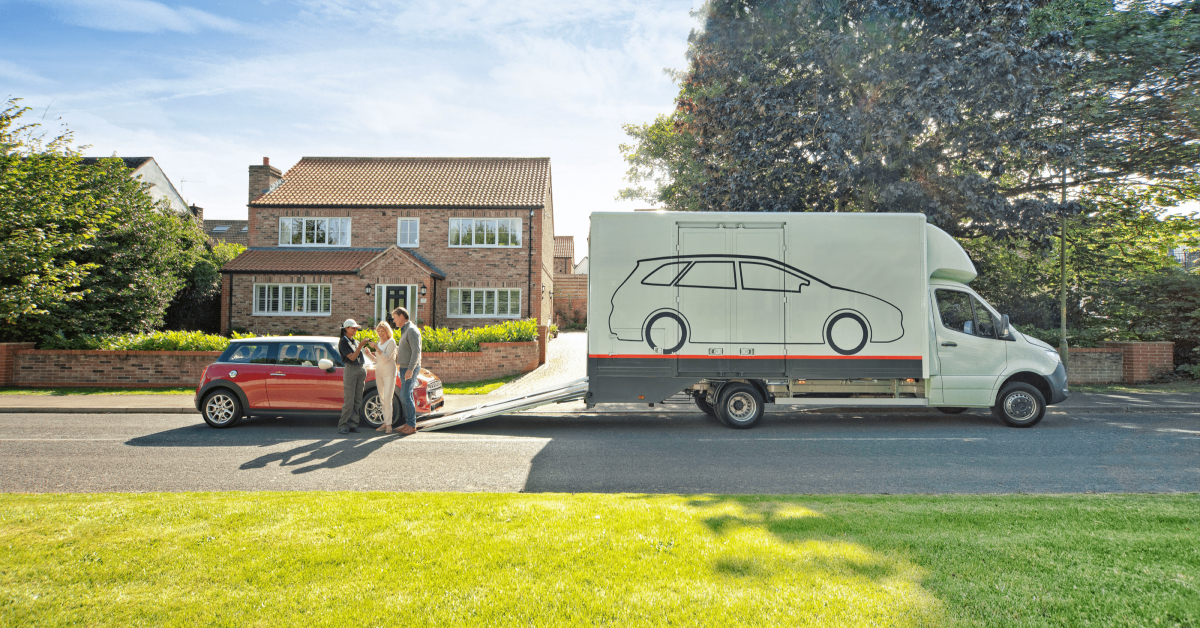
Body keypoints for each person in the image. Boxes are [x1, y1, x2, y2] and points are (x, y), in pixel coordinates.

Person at [337, 319, 375, 434]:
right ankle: (343, 425)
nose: (355, 330)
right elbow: (352, 358)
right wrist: (360, 346)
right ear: (346, 329)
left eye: (355, 328)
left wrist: (365, 349)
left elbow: (358, 355)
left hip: (360, 369)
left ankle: (353, 424)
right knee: (349, 400)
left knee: (358, 399)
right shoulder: (343, 342)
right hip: (351, 369)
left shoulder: (354, 341)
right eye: (353, 328)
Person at [390, 307, 422, 435]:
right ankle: (409, 422)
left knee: (404, 395)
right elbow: (406, 350)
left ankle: (411, 425)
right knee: (407, 395)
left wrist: (410, 369)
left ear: (402, 316)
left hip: (409, 368)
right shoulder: (405, 330)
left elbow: (416, 352)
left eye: (395, 317)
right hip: (404, 367)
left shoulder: (412, 330)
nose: (394, 320)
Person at [370, 321, 398, 434]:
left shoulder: (391, 342)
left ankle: (389, 425)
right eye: (379, 331)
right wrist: (369, 354)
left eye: (383, 331)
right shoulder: (379, 343)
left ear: (387, 331)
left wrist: (376, 348)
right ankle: (385, 422)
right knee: (381, 398)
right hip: (379, 372)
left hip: (389, 372)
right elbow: (378, 360)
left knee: (387, 398)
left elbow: (386, 358)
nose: (380, 333)